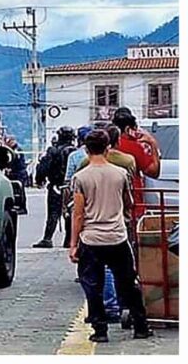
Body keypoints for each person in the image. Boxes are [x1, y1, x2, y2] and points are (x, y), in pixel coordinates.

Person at [69, 129, 153, 343]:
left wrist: (73, 244)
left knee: (92, 285)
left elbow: (78, 214)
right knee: (128, 282)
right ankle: (141, 325)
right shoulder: (120, 174)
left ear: (86, 150)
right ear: (108, 148)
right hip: (117, 236)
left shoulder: (80, 177)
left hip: (91, 239)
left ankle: (100, 330)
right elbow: (129, 204)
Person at [111, 107, 161, 222]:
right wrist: (152, 143)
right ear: (129, 129)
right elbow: (153, 172)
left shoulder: (104, 144)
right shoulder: (135, 147)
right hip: (132, 202)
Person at [33, 126, 76, 248]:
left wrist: (39, 179)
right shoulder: (75, 152)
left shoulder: (53, 151)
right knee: (70, 212)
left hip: (56, 186)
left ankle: (48, 238)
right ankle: (68, 239)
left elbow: (43, 167)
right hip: (71, 187)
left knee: (53, 213)